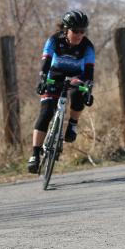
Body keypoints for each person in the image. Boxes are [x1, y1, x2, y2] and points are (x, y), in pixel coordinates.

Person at [27, 10, 95, 173]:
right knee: (46, 112)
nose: (79, 35)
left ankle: (72, 123)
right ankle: (35, 154)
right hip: (55, 75)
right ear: (66, 29)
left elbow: (89, 72)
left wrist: (88, 90)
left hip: (76, 76)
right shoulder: (54, 40)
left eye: (82, 31)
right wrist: (42, 79)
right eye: (75, 31)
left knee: (78, 91)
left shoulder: (87, 46)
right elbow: (46, 61)